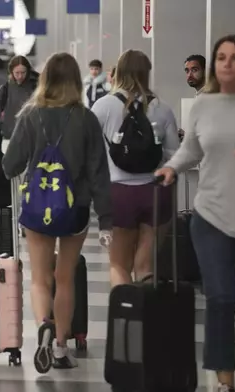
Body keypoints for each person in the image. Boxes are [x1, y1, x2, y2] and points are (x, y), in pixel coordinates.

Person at [2, 52, 112, 372]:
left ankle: (43, 326)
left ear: (45, 78)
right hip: (75, 208)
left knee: (39, 279)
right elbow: (98, 172)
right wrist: (106, 218)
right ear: (77, 80)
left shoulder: (31, 115)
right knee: (65, 279)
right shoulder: (86, 118)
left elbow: (11, 166)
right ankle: (62, 348)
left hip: (38, 207)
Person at [155, 34, 235, 392]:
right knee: (222, 296)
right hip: (211, 215)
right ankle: (224, 380)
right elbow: (190, 149)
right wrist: (172, 168)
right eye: (220, 57)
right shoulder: (204, 105)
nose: (226, 63)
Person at [91, 49, 180, 287]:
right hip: (156, 192)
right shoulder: (162, 108)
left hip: (118, 194)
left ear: (118, 72)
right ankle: (147, 320)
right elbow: (174, 154)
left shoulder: (103, 106)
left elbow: (88, 151)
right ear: (146, 74)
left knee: (119, 266)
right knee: (146, 267)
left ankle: (124, 320)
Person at [0, 55, 39, 153]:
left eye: (23, 72)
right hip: (9, 138)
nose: (20, 76)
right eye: (17, 73)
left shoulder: (36, 89)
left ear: (28, 72)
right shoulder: (5, 90)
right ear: (11, 72)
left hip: (33, 139)